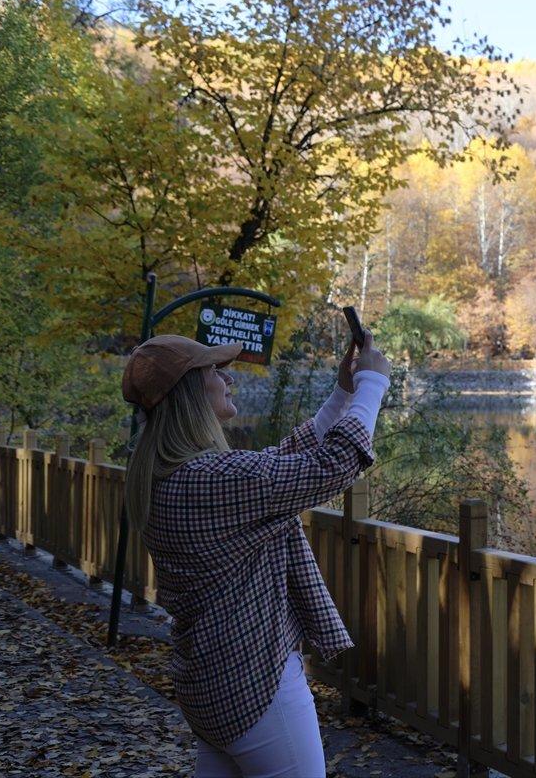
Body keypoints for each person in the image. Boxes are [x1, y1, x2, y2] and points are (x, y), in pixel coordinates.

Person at [120, 329, 392, 777]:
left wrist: (343, 392)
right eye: (216, 372)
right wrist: (373, 383)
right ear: (189, 393)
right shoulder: (210, 480)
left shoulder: (164, 472)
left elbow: (278, 463)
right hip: (257, 686)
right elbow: (332, 466)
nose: (230, 381)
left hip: (207, 684)